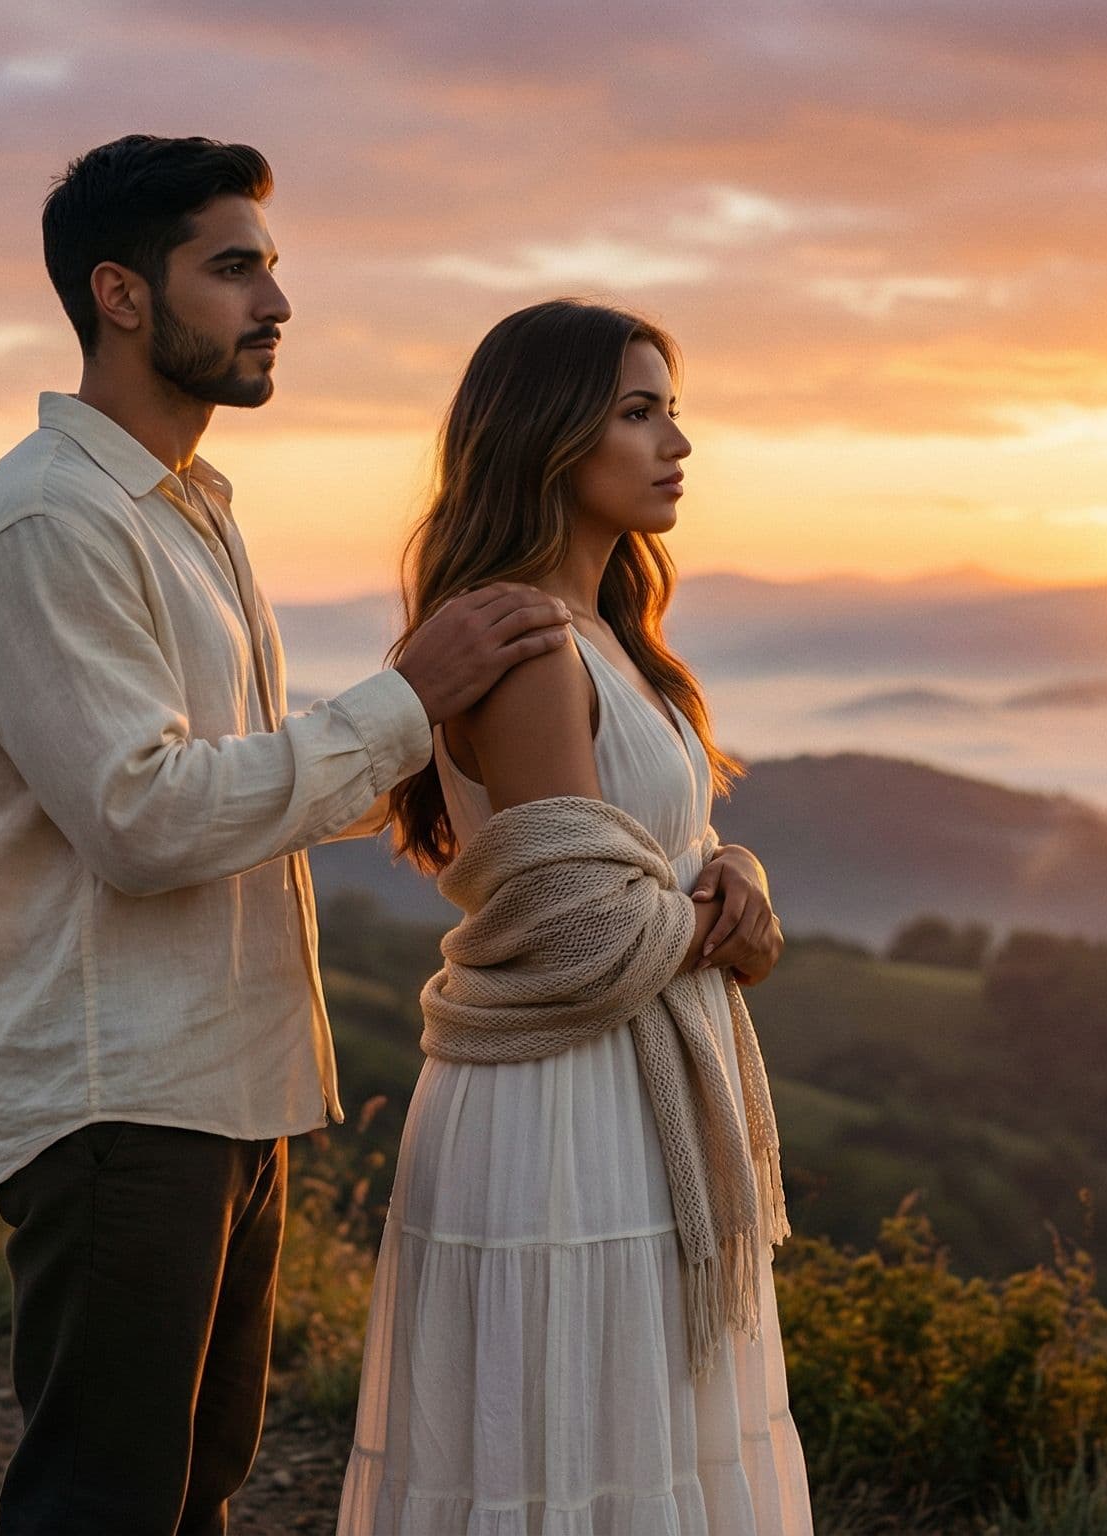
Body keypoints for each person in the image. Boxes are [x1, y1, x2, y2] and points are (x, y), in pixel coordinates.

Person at [0, 135, 573, 1536]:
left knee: (195, 1489)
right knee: (105, 1504)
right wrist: (406, 701)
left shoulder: (189, 514)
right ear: (120, 293)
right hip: (120, 1096)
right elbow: (145, 817)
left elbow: (242, 786)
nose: (276, 303)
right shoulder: (50, 523)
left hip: (227, 1082)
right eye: (233, 269)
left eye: (271, 268)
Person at [336, 299, 814, 1534]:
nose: (677, 444)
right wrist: (723, 925)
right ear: (549, 436)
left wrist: (738, 873)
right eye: (638, 412)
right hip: (565, 1113)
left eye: (672, 411)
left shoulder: (612, 637)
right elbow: (581, 929)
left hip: (628, 1094)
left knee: (631, 1451)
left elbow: (654, 854)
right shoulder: (530, 643)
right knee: (569, 1461)